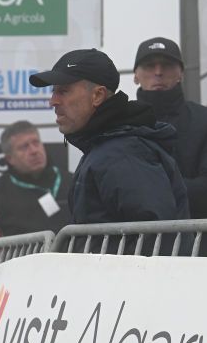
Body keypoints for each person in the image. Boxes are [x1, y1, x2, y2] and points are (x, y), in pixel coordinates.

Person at [31, 49, 189, 253]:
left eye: (63, 91)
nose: (53, 101)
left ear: (97, 95)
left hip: (130, 283)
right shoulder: (106, 147)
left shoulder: (121, 153)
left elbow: (156, 238)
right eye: (53, 91)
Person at [133, 37, 207, 256]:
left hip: (201, 254)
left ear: (181, 73)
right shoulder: (119, 126)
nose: (158, 72)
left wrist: (146, 192)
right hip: (136, 256)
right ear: (135, 75)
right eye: (150, 65)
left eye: (167, 65)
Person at [0, 121, 72, 236]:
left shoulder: (73, 182)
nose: (34, 151)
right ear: (10, 159)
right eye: (24, 147)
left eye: (36, 143)